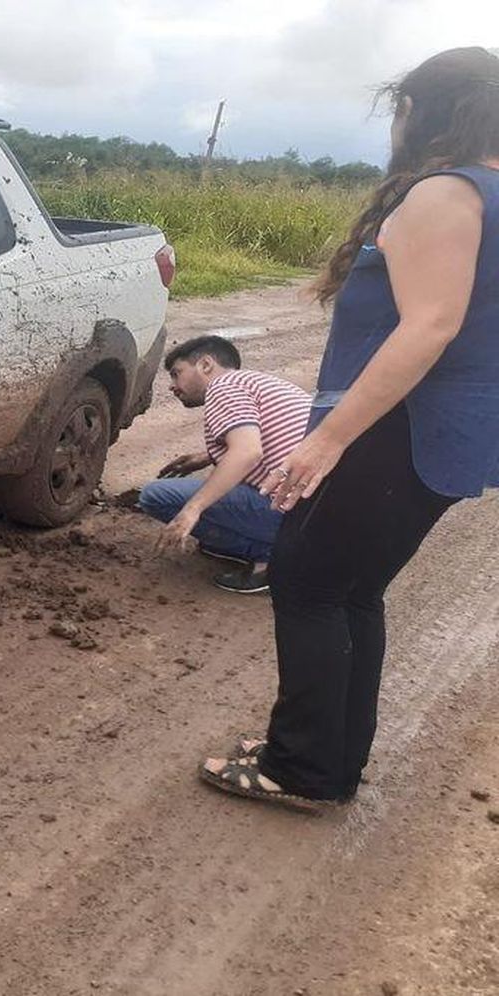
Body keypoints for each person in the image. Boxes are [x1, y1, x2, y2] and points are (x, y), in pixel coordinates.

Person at [201, 47, 499, 809]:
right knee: (354, 590)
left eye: (398, 108)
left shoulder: (448, 193)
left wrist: (328, 440)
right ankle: (327, 757)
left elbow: (429, 327)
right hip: (442, 430)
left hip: (399, 426)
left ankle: (300, 768)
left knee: (308, 583)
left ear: (425, 111)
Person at [139, 335, 311, 594]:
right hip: (326, 512)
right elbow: (269, 437)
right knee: (212, 536)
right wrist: (207, 456)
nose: (172, 387)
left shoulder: (223, 386)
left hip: (299, 517)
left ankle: (277, 559)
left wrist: (192, 510)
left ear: (206, 365)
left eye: (177, 374)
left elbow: (247, 452)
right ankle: (284, 549)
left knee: (156, 496)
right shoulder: (257, 382)